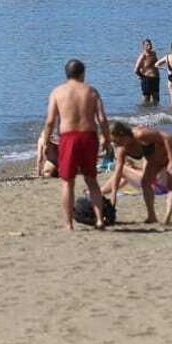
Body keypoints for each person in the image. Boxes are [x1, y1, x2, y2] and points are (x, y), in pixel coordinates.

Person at [40, 58, 112, 231]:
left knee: (67, 181)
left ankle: (68, 224)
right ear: (83, 74)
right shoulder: (91, 91)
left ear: (66, 74)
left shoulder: (57, 92)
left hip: (68, 137)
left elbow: (50, 121)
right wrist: (107, 139)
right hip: (89, 136)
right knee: (91, 180)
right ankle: (99, 219)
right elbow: (102, 119)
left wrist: (45, 142)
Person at [105, 121, 172, 226]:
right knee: (145, 183)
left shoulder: (140, 134)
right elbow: (117, 174)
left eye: (116, 141)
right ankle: (152, 216)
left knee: (171, 183)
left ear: (122, 134)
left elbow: (166, 137)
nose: (116, 145)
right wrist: (113, 201)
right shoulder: (121, 150)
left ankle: (167, 216)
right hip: (154, 159)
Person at [134, 39, 161, 107]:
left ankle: (155, 114)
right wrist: (142, 76)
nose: (150, 46)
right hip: (146, 79)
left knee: (156, 98)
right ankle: (144, 113)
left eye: (150, 44)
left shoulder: (154, 54)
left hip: (155, 78)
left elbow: (156, 64)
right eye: (147, 45)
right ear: (144, 47)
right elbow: (135, 69)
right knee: (146, 98)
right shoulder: (143, 56)